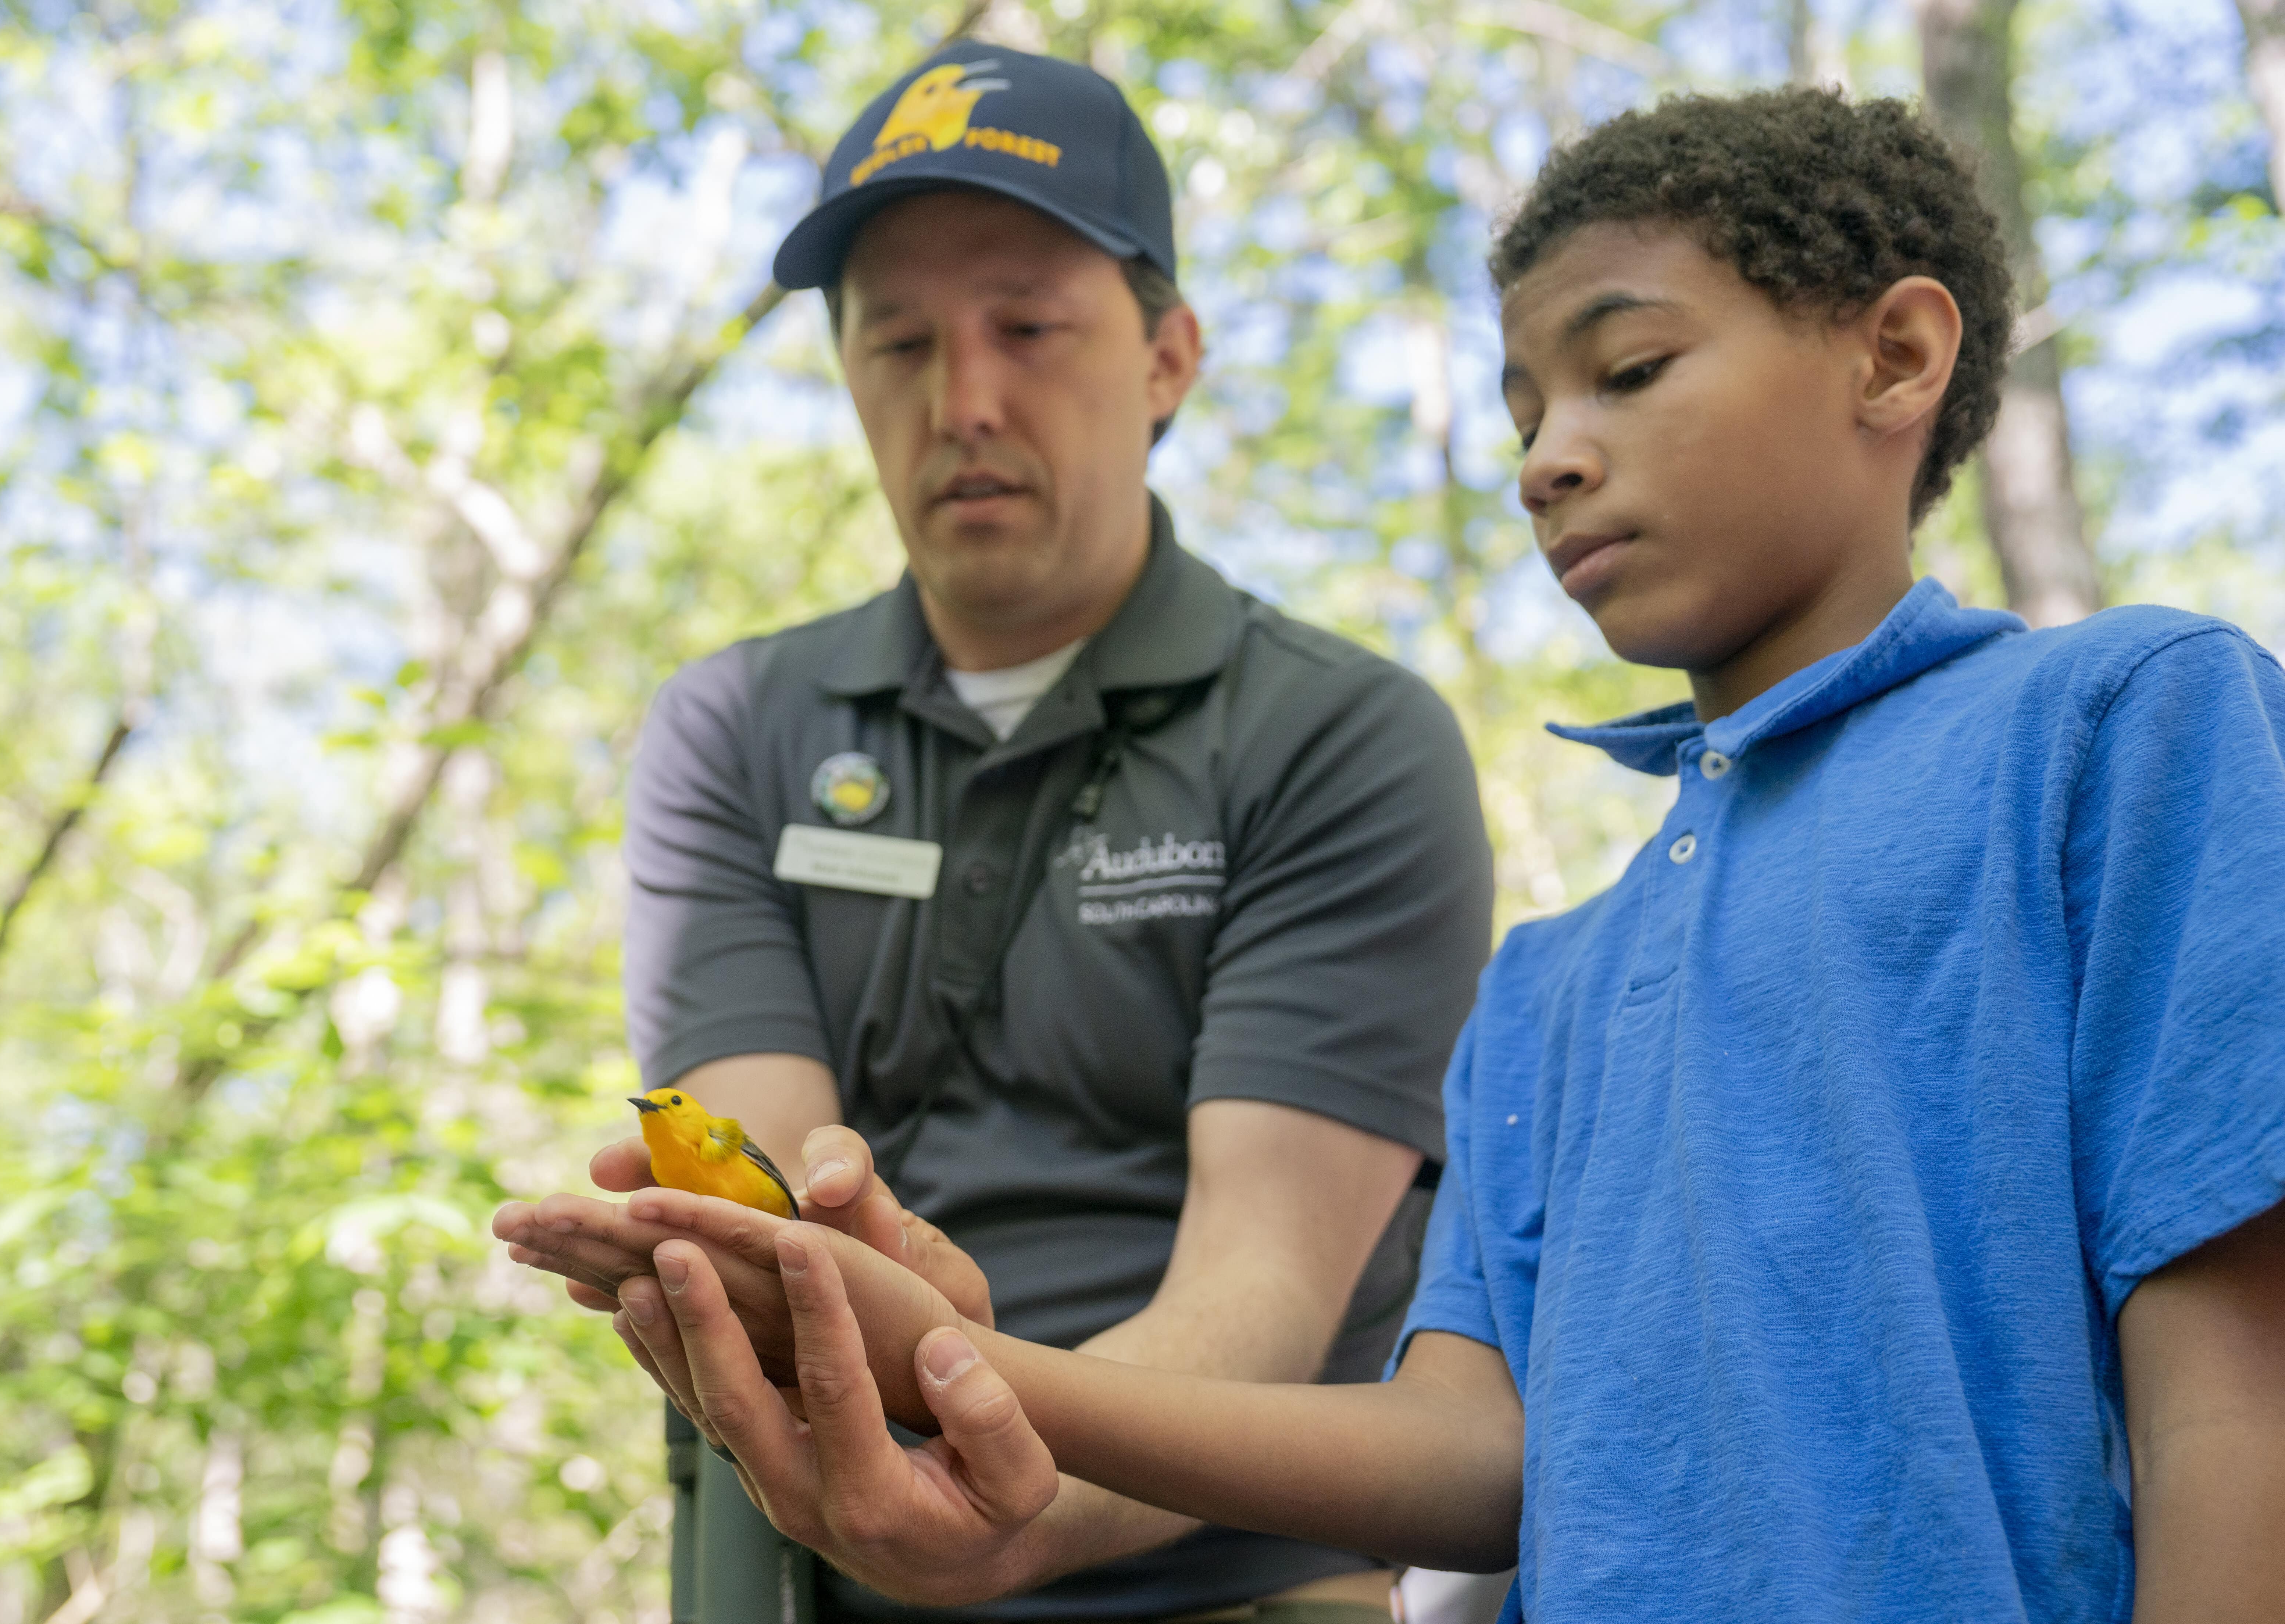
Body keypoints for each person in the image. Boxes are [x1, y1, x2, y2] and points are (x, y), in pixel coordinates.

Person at [609, 87, 2285, 1623]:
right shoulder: (1552, 984)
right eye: (1525, 403)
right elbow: (1471, 1460)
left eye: (1627, 371)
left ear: (1898, 357)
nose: (1548, 453)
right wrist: (966, 1371)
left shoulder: (2121, 729)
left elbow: (2235, 1380)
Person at [493, 40, 1493, 1624]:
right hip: (824, 1564)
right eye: (898, 342)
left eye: (1029, 328)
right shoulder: (737, 728)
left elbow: (1264, 1287)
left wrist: (1011, 1488)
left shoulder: (1340, 736)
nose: (964, 400)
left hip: (1243, 1581)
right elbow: (762, 1201)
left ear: (1169, 356)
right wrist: (799, 1274)